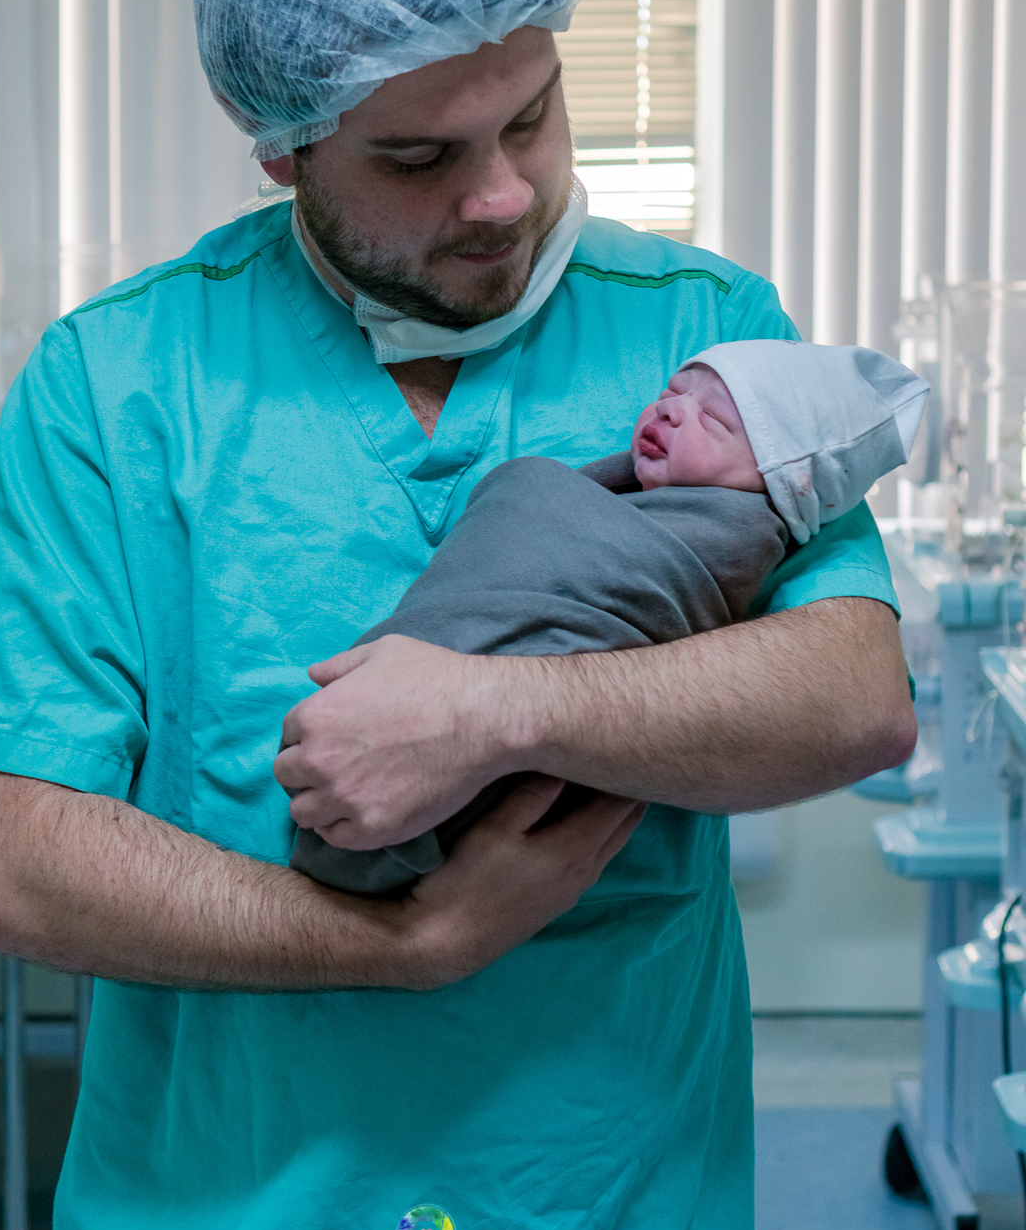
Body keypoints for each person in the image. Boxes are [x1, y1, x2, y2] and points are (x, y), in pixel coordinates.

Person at [0, 0, 917, 1230]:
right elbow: (17, 868)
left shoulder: (704, 339)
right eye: (419, 161)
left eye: (534, 120)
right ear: (285, 150)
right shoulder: (119, 383)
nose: (501, 197)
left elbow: (849, 700)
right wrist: (402, 945)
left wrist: (491, 707)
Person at [290, 341, 930, 895]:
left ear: (785, 487)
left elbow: (867, 713)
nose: (673, 410)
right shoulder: (642, 494)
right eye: (673, 392)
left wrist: (479, 705)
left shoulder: (736, 537)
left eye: (713, 421)